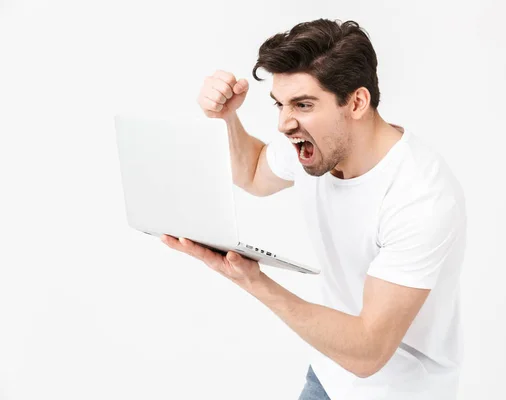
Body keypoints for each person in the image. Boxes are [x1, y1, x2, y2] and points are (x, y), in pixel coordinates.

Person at [161, 18, 467, 400]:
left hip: (397, 389)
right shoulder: (318, 146)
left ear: (356, 102)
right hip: (329, 373)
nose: (284, 124)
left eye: (303, 105)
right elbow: (254, 171)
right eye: (279, 104)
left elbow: (369, 351)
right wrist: (227, 117)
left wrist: (252, 280)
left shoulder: (421, 197)